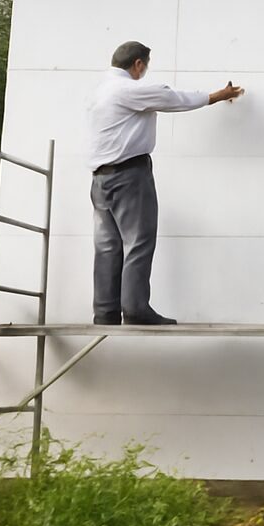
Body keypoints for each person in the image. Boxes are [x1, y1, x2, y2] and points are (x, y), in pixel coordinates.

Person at [84, 41, 244, 325]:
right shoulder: (129, 89)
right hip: (129, 176)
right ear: (138, 64)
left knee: (108, 247)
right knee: (138, 242)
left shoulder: (100, 91)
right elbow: (174, 99)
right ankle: (135, 310)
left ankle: (105, 313)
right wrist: (217, 95)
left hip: (100, 179)